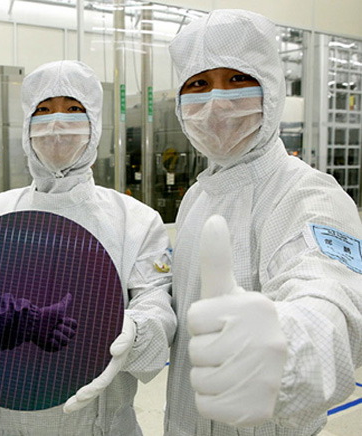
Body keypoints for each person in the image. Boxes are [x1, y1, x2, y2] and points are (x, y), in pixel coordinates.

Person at [0, 60, 176, 435]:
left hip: (107, 425)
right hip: (14, 422)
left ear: (94, 122)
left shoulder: (135, 220)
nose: (57, 123)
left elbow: (156, 305)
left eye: (73, 109)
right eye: (43, 110)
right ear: (26, 126)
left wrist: (133, 331)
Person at [165, 9, 362, 436]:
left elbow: (330, 297)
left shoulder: (310, 194)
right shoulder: (197, 197)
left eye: (237, 78)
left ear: (270, 88)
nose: (217, 102)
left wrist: (285, 352)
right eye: (198, 84)